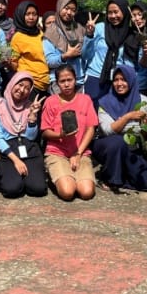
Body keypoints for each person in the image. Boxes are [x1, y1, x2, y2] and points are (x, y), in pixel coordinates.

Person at [92, 64, 147, 192]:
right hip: (108, 145)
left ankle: (122, 175)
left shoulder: (144, 101)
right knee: (118, 141)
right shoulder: (105, 102)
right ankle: (110, 178)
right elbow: (108, 130)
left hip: (132, 148)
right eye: (116, 80)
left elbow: (146, 133)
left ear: (131, 80)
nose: (119, 84)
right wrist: (128, 117)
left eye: (124, 80)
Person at [42, 65, 98, 201]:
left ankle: (73, 176)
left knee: (87, 192)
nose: (66, 84)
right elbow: (45, 132)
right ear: (57, 83)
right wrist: (59, 135)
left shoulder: (85, 100)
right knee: (67, 192)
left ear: (75, 80)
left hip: (80, 151)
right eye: (62, 81)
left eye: (69, 80)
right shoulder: (51, 101)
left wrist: (78, 153)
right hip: (57, 152)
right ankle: (58, 176)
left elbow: (91, 128)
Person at [0, 72, 47, 198]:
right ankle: (8, 176)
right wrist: (16, 161)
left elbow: (31, 137)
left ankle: (26, 179)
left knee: (38, 189)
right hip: (8, 151)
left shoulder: (30, 106)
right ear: (12, 83)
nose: (22, 90)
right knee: (12, 190)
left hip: (29, 149)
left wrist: (32, 116)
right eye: (20, 85)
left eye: (27, 88)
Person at [82, 0, 135, 108]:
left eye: (116, 12)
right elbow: (85, 54)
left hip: (118, 81)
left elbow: (130, 60)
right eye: (110, 12)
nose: (113, 16)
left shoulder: (130, 33)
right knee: (93, 111)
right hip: (95, 78)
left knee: (114, 113)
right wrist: (89, 35)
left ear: (124, 11)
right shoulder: (99, 28)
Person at [43, 0, 87, 91]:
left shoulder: (79, 28)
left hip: (78, 79)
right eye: (66, 8)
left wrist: (90, 35)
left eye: (73, 10)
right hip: (59, 81)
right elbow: (49, 61)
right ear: (59, 7)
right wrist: (65, 56)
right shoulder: (51, 32)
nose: (69, 12)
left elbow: (87, 54)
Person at [9, 0, 50, 96]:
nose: (31, 17)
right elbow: (14, 64)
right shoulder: (18, 37)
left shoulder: (40, 33)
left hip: (46, 84)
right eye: (27, 14)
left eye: (34, 14)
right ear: (21, 15)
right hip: (30, 86)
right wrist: (7, 62)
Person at [130, 1, 147, 94]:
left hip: (146, 84)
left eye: (140, 14)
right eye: (134, 15)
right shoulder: (128, 35)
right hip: (129, 84)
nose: (137, 18)